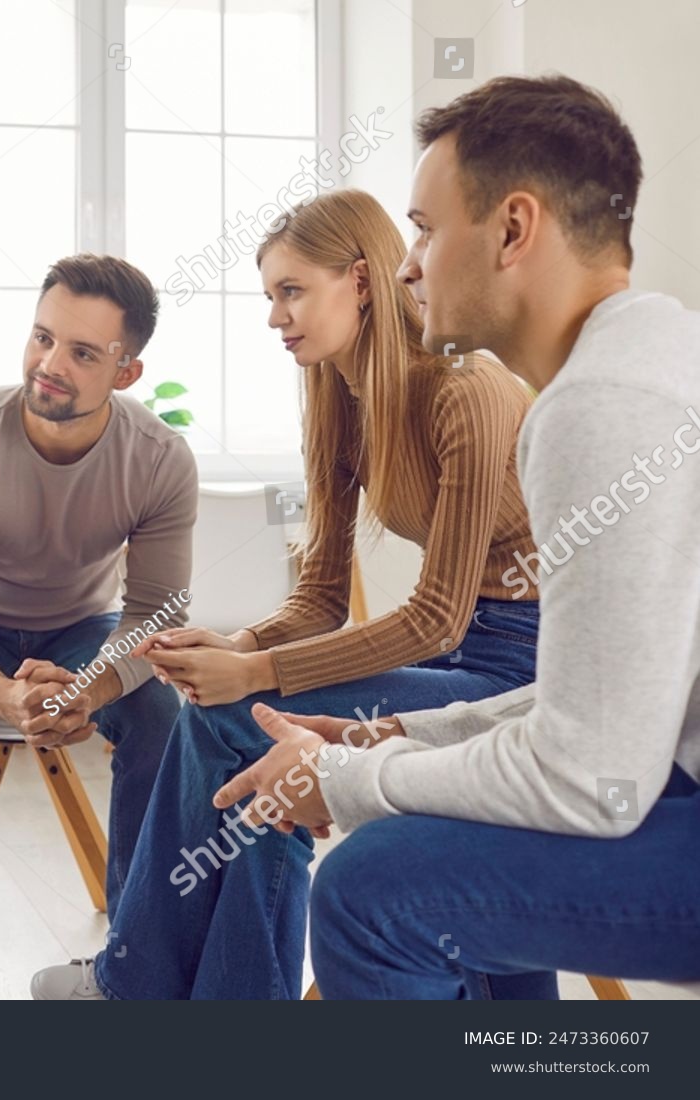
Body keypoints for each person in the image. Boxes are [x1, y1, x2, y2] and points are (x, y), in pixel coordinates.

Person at [236, 74, 700, 998]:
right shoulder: (653, 353)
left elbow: (583, 780)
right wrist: (388, 736)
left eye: (425, 229)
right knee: (437, 851)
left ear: (514, 230)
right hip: (668, 768)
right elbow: (604, 714)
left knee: (375, 889)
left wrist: (350, 777)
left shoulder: (596, 409)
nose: (408, 265)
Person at [33, 188, 551, 1000]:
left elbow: (436, 615)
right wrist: (234, 649)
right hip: (454, 652)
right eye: (269, 296)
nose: (276, 317)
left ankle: (136, 986)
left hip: (518, 666)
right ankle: (200, 995)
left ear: (362, 280)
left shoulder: (466, 394)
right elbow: (320, 596)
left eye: (292, 291)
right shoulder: (337, 395)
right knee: (230, 720)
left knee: (238, 718)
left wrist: (257, 676)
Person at [0, 253, 197, 999]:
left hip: (79, 630)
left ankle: (129, 951)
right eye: (42, 337)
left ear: (126, 373)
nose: (49, 365)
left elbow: (157, 611)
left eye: (82, 353)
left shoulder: (159, 460)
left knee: (160, 710)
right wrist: (2, 694)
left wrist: (88, 692)